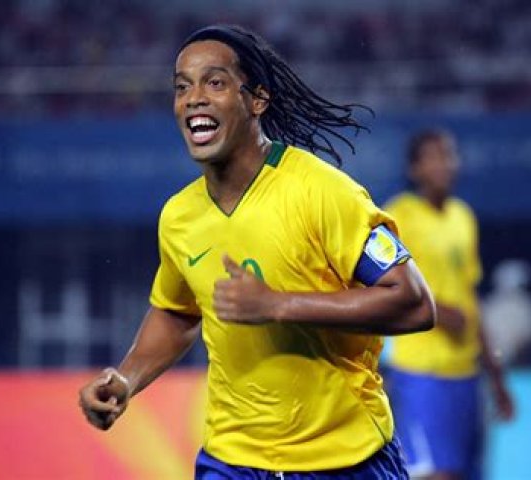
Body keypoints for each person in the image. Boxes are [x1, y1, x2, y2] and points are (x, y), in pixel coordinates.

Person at [78, 24, 436, 479]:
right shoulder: (179, 217)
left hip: (344, 458)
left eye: (215, 82)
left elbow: (414, 303)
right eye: (182, 87)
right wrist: (127, 379)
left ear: (257, 99)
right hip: (233, 459)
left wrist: (277, 305)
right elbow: (177, 312)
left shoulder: (323, 192)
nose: (194, 98)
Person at [383, 129, 514, 480]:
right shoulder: (398, 216)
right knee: (436, 474)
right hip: (421, 373)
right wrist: (437, 312)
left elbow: (470, 296)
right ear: (414, 168)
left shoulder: (462, 217)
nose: (445, 164)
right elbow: (383, 285)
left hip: (467, 375)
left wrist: (495, 374)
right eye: (435, 156)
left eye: (449, 155)